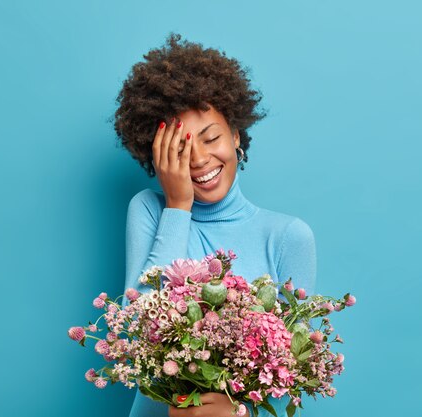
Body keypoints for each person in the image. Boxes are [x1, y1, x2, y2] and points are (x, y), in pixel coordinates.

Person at [114, 33, 316, 417]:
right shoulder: (150, 210)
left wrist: (235, 407)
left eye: (211, 139)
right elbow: (133, 329)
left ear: (236, 135)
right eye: (181, 149)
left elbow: (294, 371)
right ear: (157, 156)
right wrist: (177, 205)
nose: (200, 160)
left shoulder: (289, 237)